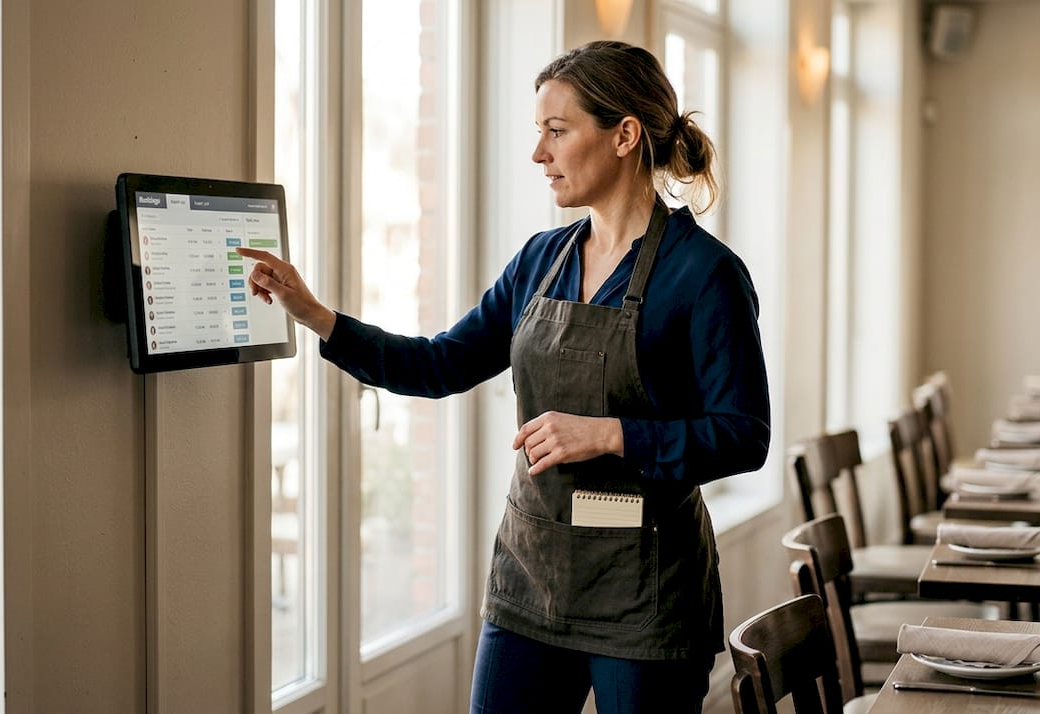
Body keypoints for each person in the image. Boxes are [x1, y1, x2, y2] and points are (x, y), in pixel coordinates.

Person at [237, 40, 769, 714]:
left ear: (624, 136)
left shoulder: (705, 274)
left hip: (645, 595)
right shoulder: (540, 260)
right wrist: (316, 315)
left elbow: (743, 435)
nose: (538, 153)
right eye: (538, 132)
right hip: (531, 578)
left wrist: (610, 434)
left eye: (557, 131)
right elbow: (440, 364)